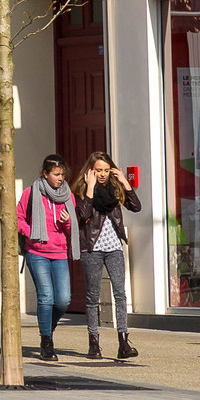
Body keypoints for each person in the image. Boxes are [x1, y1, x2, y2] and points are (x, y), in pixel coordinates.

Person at [75, 151, 141, 362]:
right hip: (92, 248)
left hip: (114, 247)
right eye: (98, 170)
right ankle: (93, 342)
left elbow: (136, 207)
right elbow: (82, 215)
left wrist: (125, 182)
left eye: (105, 170)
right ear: (90, 170)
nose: (102, 174)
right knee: (93, 297)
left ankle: (123, 341)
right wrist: (91, 188)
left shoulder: (116, 188)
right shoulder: (82, 189)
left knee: (120, 294)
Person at [17, 151, 78, 361]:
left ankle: (47, 329)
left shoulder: (68, 196)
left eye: (62, 174)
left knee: (63, 300)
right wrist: (31, 232)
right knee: (46, 297)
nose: (60, 178)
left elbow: (72, 229)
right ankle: (46, 342)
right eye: (56, 174)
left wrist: (66, 221)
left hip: (59, 252)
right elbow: (18, 218)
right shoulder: (31, 193)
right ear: (45, 174)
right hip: (37, 252)